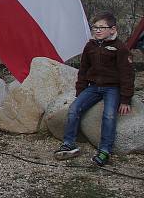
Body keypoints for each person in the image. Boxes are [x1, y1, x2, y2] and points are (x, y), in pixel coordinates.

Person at [54, 11, 134, 166]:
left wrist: (125, 99)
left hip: (112, 88)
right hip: (93, 87)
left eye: (102, 27)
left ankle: (104, 150)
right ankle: (69, 143)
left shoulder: (120, 48)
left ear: (112, 29)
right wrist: (80, 91)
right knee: (74, 109)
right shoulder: (90, 46)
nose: (97, 30)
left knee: (109, 115)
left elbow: (127, 75)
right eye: (95, 27)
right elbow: (83, 70)